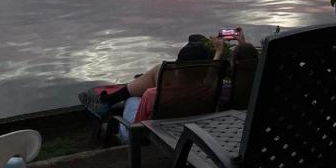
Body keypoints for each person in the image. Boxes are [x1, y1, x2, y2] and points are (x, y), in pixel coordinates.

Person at [78, 29, 253, 127]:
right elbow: (214, 73)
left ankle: (109, 103)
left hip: (146, 134)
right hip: (194, 122)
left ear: (177, 68)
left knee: (134, 97)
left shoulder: (152, 95)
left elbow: (138, 128)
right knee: (154, 76)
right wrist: (232, 47)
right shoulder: (214, 89)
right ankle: (111, 100)